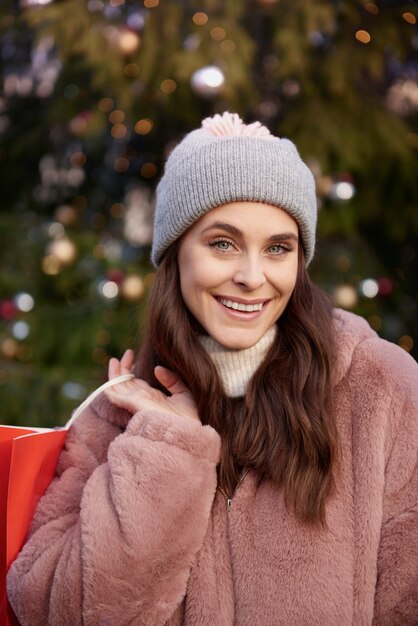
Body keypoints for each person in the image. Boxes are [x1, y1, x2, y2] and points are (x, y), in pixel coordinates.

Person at [7, 112, 418, 626]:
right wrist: (166, 451)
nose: (252, 277)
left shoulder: (383, 390)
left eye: (278, 248)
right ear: (176, 254)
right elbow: (54, 610)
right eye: (222, 243)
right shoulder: (124, 413)